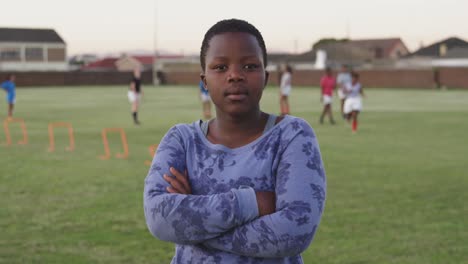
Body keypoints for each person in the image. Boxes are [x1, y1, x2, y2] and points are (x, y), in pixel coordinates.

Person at [144, 19, 326, 263]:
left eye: (250, 66)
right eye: (220, 67)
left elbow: (295, 232)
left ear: (266, 76)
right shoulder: (182, 141)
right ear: (204, 80)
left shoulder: (291, 136)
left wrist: (191, 223)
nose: (235, 75)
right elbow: (159, 218)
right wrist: (252, 203)